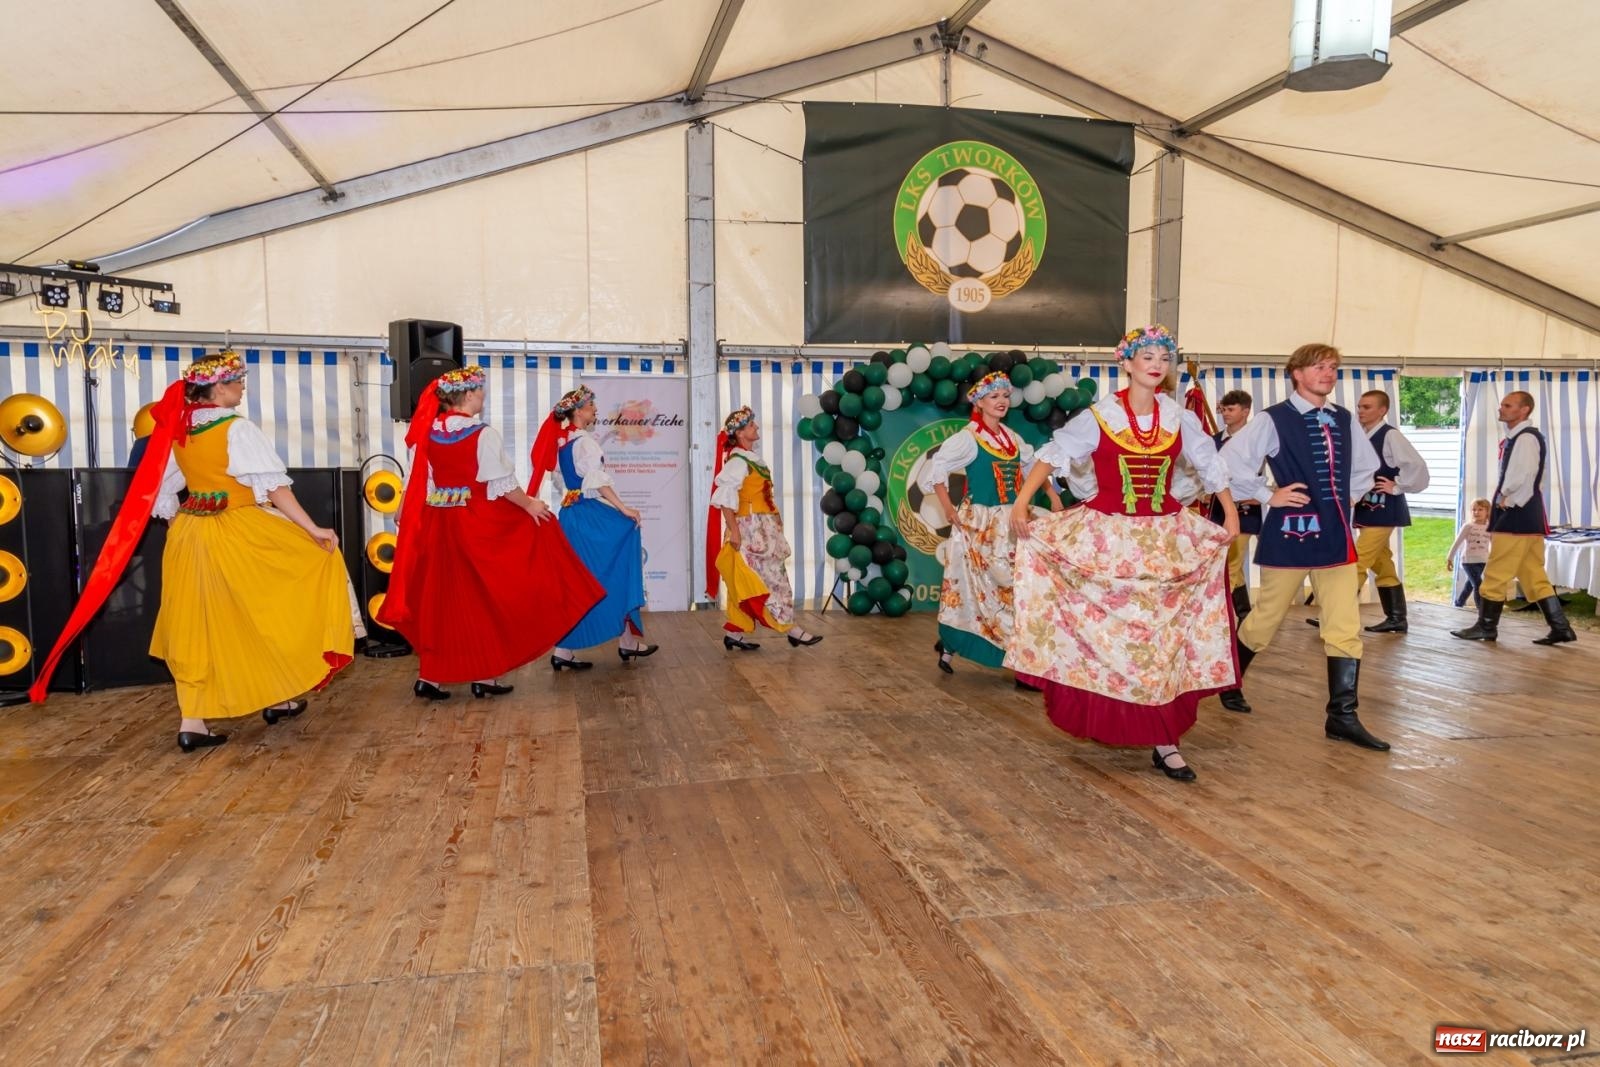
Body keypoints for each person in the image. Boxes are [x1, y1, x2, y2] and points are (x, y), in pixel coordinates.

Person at [29, 351, 356, 752]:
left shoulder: (181, 431)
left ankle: (198, 721)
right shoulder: (236, 428)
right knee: (264, 610)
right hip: (239, 532)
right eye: (237, 381)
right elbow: (274, 487)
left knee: (197, 625)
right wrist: (312, 527)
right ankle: (276, 696)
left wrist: (187, 522)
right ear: (219, 388)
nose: (242, 388)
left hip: (190, 535)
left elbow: (161, 493)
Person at [1006, 325, 1239, 782]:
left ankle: (1166, 741)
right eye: (1147, 356)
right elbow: (1051, 456)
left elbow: (1211, 465)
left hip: (1166, 542)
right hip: (1110, 540)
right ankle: (1120, 713)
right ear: (1127, 363)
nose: (1156, 364)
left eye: (1163, 358)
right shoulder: (1099, 416)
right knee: (1112, 636)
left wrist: (1229, 515)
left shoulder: (1178, 418)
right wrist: (1021, 501)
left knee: (1162, 641)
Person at [379, 367, 603, 698]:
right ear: (468, 395)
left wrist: (404, 512)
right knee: (486, 594)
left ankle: (431, 676)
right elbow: (500, 483)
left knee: (442, 599)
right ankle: (482, 676)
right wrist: (528, 505)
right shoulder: (482, 434)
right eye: (480, 391)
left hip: (439, 523)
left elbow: (419, 481)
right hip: (476, 522)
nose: (483, 395)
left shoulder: (428, 431)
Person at [1216, 343, 1391, 751]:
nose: (1328, 373)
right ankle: (1229, 680)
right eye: (1319, 367)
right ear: (1297, 373)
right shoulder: (1272, 419)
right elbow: (1228, 462)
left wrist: (1346, 496)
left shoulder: (1343, 419)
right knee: (1266, 618)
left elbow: (1365, 467)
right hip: (1291, 532)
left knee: (1345, 623)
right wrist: (1264, 494)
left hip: (1334, 532)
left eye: (1333, 367)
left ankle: (1342, 716)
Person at [917, 371, 1061, 678]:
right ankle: (960, 640)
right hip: (981, 520)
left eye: (1005, 396)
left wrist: (1052, 495)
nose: (1001, 402)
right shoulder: (968, 438)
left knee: (1015, 584)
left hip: (1010, 516)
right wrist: (948, 509)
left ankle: (1020, 656)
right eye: (994, 397)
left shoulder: (1011, 437)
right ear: (979, 403)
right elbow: (937, 469)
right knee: (980, 586)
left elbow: (1032, 467)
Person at [531, 386, 658, 668]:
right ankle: (623, 643)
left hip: (571, 515)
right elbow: (596, 482)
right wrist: (624, 508)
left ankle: (568, 650)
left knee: (582, 581)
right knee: (607, 571)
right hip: (588, 516)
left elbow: (564, 481)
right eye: (590, 407)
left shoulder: (563, 444)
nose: (595, 411)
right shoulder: (585, 443)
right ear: (578, 412)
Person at [1451, 391, 1576, 646]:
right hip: (1526, 518)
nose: (1501, 409)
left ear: (1524, 410)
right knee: (1533, 573)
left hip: (1516, 517)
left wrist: (1506, 500)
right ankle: (1561, 627)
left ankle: (1486, 626)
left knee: (1496, 571)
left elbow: (1525, 475)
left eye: (1508, 406)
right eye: (1502, 405)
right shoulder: (1522, 437)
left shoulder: (1525, 438)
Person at [707, 407, 822, 650]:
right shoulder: (738, 463)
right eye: (751, 426)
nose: (756, 428)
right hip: (750, 530)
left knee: (755, 580)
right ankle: (792, 629)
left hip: (762, 528)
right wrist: (735, 531)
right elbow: (724, 499)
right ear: (739, 433)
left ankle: (735, 635)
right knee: (771, 579)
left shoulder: (750, 460)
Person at [1348, 389, 1430, 634]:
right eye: (1360, 406)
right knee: (1383, 564)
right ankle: (1397, 618)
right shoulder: (1362, 436)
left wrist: (1398, 487)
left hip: (1384, 509)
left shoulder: (1390, 435)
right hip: (1368, 508)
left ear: (1382, 410)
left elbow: (1416, 466)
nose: (1361, 411)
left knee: (1358, 560)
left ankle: (1336, 613)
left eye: (1367, 407)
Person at [1212, 389, 1262, 619]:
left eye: (1231, 410)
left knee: (1229, 565)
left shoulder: (1256, 440)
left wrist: (1262, 493)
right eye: (1223, 409)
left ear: (1245, 411)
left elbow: (1262, 474)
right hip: (1217, 509)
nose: (1225, 414)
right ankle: (1244, 614)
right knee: (1228, 563)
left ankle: (1217, 616)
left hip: (1245, 510)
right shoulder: (1214, 440)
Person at [1446, 498, 1493, 610]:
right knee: (1478, 585)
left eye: (1480, 509)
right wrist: (1450, 558)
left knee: (1470, 584)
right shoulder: (1468, 527)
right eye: (1474, 510)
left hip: (1482, 561)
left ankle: (1458, 603)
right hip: (1468, 561)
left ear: (1487, 511)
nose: (1476, 512)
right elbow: (1457, 543)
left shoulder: (1490, 527)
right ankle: (1481, 610)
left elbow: (1494, 544)